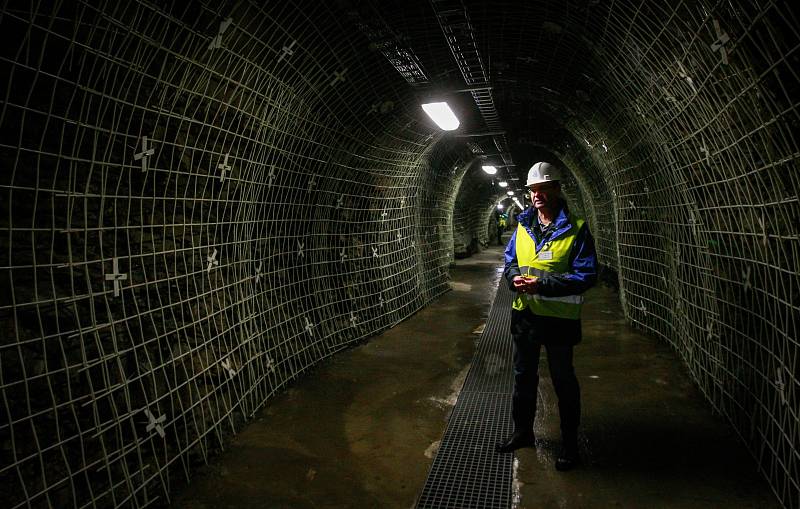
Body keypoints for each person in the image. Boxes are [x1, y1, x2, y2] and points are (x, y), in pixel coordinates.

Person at [495, 161, 597, 472]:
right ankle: (523, 433)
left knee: (563, 380)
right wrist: (513, 278)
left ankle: (568, 445)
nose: (536, 194)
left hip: (559, 319)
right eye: (532, 190)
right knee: (523, 377)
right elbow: (510, 260)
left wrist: (543, 284)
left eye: (542, 188)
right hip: (525, 316)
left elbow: (587, 274)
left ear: (556, 189)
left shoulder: (576, 228)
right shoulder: (524, 225)